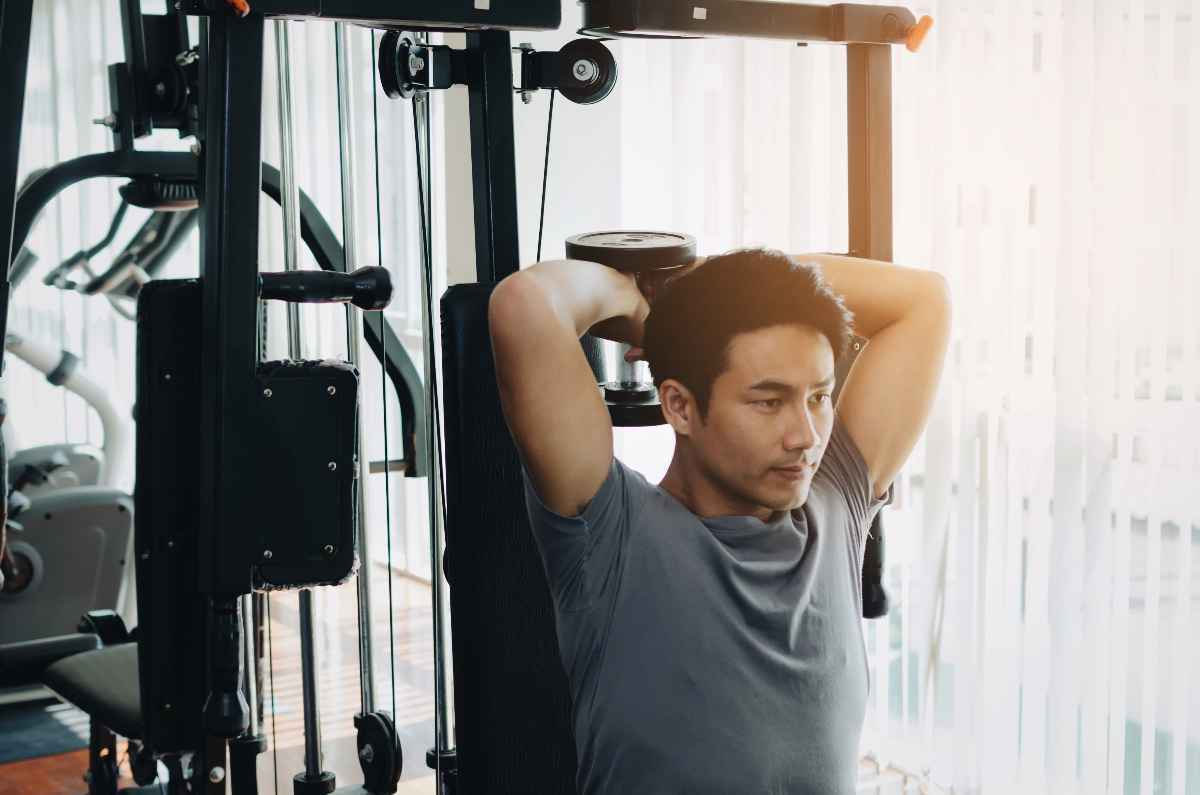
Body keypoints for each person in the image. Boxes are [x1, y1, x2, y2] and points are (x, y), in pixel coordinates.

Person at [488, 248, 951, 794]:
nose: (805, 436)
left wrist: (712, 283)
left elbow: (926, 302)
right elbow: (523, 305)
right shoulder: (613, 536)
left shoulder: (834, 503)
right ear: (680, 407)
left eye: (819, 397)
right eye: (769, 402)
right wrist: (640, 304)